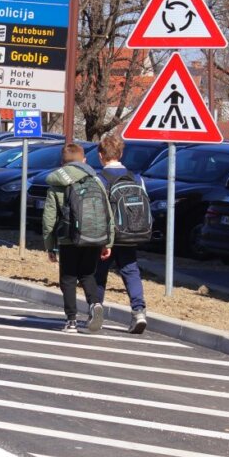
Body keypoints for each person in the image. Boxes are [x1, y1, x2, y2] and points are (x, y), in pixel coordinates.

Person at [43, 143, 112, 334]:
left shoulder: (57, 183)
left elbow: (49, 219)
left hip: (68, 239)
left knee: (68, 278)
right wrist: (108, 241)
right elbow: (108, 213)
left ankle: (71, 321)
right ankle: (95, 304)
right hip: (95, 236)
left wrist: (50, 247)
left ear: (62, 162)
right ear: (84, 160)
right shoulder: (96, 181)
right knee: (88, 275)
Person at [95, 134, 148, 333]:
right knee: (131, 270)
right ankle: (138, 311)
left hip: (106, 235)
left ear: (101, 155)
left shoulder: (99, 179)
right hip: (130, 232)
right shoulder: (136, 178)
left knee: (99, 272)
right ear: (121, 153)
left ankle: (96, 310)